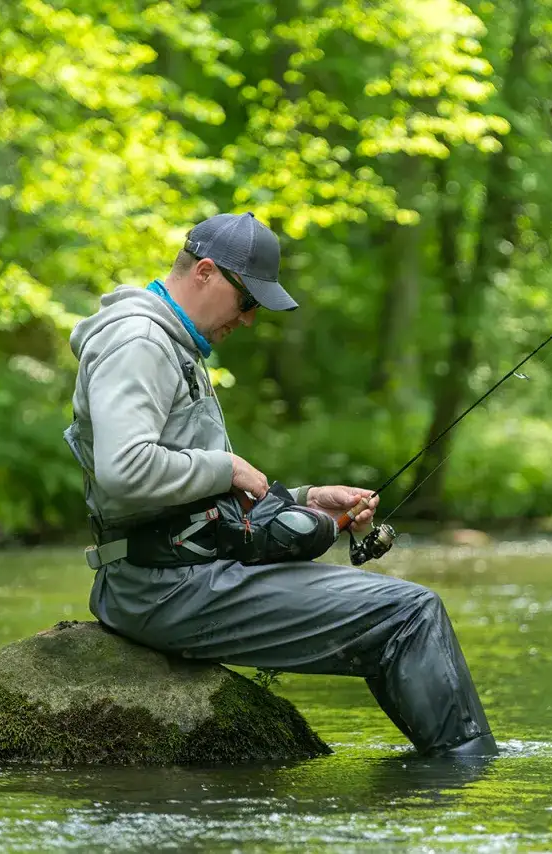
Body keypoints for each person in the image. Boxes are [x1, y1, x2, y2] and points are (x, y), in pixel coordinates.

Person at [63, 212, 497, 757]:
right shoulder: (141, 342)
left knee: (403, 612)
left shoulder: (170, 344)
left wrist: (303, 501)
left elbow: (186, 501)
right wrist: (227, 467)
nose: (248, 320)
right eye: (247, 301)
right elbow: (125, 469)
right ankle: (466, 783)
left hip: (176, 575)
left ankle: (445, 778)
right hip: (165, 588)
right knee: (409, 615)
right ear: (204, 272)